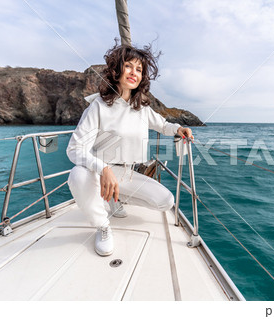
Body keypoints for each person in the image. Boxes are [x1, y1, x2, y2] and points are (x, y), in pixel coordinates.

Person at [66, 42, 194, 256]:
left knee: (166, 202)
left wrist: (179, 129)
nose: (134, 73)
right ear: (116, 70)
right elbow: (74, 149)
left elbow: (162, 124)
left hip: (128, 173)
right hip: (100, 172)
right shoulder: (98, 106)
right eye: (128, 66)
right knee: (78, 176)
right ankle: (103, 226)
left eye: (139, 69)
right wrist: (103, 169)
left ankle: (114, 198)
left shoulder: (141, 106)